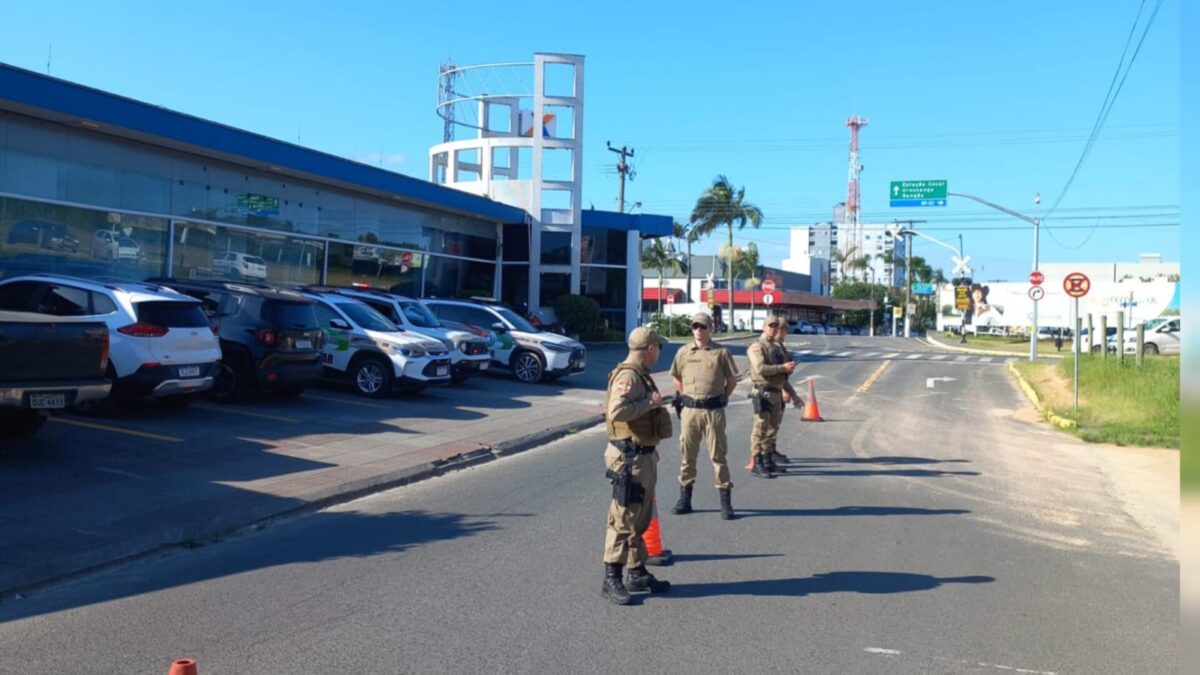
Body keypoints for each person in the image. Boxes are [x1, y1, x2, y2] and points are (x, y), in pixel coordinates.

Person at [601, 326, 674, 606]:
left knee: (640, 517)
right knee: (623, 518)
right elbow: (616, 411)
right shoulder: (629, 376)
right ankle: (612, 578)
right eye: (659, 347)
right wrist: (649, 402)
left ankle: (636, 572)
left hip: (641, 454)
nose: (659, 352)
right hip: (628, 457)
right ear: (651, 348)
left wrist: (650, 449)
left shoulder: (640, 373)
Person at [669, 312, 740, 520]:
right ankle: (685, 499)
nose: (698, 330)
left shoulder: (721, 353)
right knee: (687, 456)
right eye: (695, 326)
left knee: (718, 456)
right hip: (690, 411)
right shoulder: (683, 352)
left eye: (702, 326)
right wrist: (684, 396)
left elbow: (732, 380)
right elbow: (675, 376)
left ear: (710, 329)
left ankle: (725, 502)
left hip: (713, 411)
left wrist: (723, 397)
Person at [746, 312, 802, 478]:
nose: (773, 329)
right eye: (770, 326)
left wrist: (793, 394)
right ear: (764, 327)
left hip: (776, 391)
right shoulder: (757, 346)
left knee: (772, 429)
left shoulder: (776, 347)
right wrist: (782, 368)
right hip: (764, 392)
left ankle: (768, 460)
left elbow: (783, 378)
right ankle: (757, 462)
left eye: (776, 326)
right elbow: (760, 369)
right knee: (760, 429)